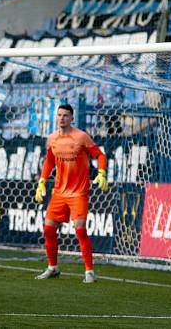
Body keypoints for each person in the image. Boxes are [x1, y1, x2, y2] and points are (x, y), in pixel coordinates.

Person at [34, 104, 108, 283]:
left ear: (72, 118)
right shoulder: (51, 138)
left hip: (78, 192)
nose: (62, 118)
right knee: (48, 229)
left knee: (80, 230)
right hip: (59, 192)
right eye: (59, 115)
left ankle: (89, 272)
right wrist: (42, 180)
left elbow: (100, 155)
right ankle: (53, 267)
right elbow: (49, 160)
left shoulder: (81, 136)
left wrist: (102, 172)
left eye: (66, 115)